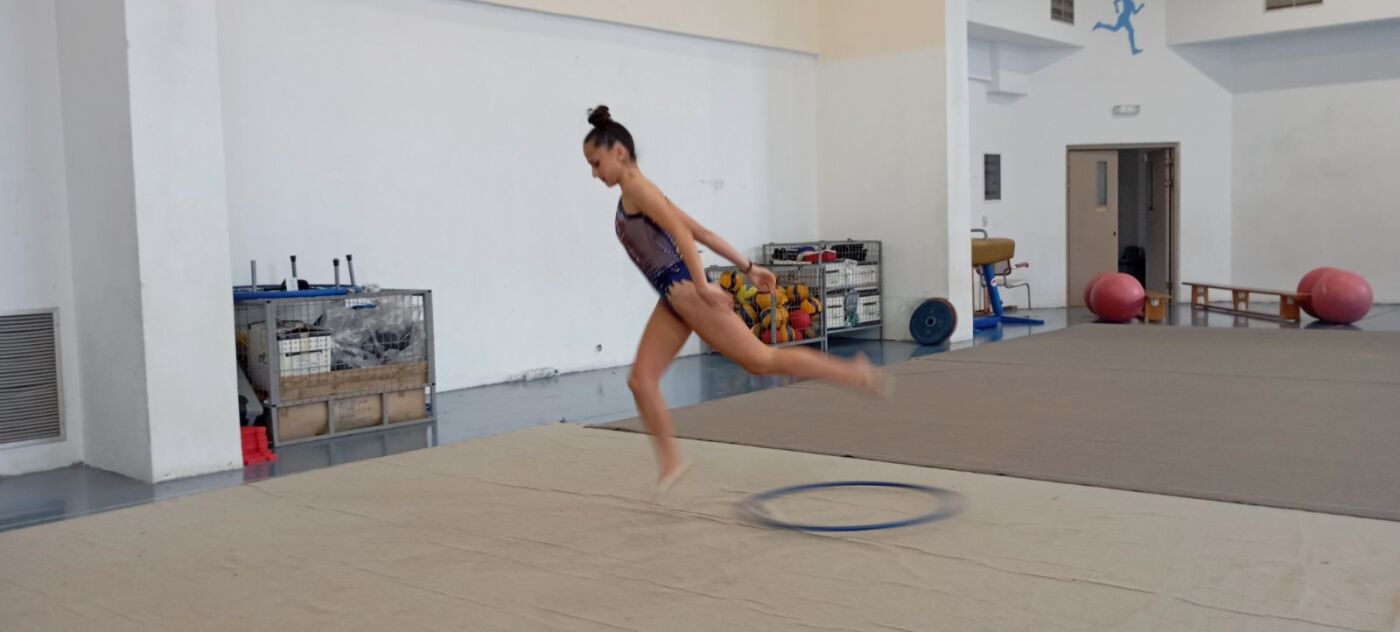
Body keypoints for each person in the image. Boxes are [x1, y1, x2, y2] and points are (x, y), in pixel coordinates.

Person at [582, 105, 891, 492]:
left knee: (762, 361)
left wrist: (704, 286)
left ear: (619, 153)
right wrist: (749, 267)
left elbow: (683, 235)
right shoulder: (644, 191)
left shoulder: (638, 189)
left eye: (596, 163)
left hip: (686, 292)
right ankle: (671, 463)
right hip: (673, 297)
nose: (594, 173)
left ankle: (853, 373)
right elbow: (703, 233)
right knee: (641, 380)